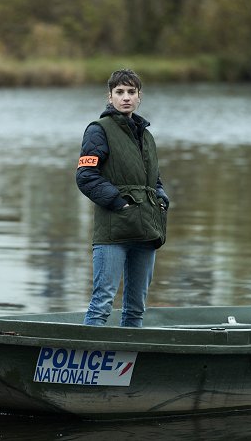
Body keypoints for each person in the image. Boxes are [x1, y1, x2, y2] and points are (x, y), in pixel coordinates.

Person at [76, 69, 169, 327]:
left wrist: (161, 200)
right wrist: (120, 203)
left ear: (139, 97)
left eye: (131, 92)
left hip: (146, 231)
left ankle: (130, 362)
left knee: (136, 309)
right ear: (110, 96)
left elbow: (154, 179)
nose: (125, 97)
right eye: (120, 92)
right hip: (113, 232)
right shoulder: (98, 130)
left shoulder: (146, 135)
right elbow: (86, 176)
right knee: (102, 303)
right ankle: (88, 361)